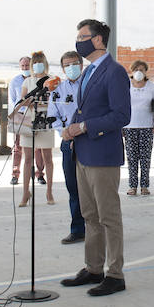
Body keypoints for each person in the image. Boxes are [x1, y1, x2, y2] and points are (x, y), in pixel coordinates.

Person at [60, 19, 130, 296]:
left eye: (83, 36)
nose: (78, 41)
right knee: (90, 215)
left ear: (99, 40)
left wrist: (86, 127)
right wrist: (71, 128)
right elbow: (84, 110)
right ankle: (93, 267)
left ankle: (115, 274)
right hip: (83, 152)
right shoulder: (88, 72)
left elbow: (121, 115)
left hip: (102, 154)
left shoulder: (114, 72)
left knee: (108, 216)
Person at [49, 50, 87, 244]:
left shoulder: (90, 86)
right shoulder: (57, 91)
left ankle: (98, 229)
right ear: (63, 68)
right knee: (73, 188)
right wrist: (63, 133)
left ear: (81, 64)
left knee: (92, 187)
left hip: (89, 142)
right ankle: (78, 229)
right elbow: (52, 116)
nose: (71, 68)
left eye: (74, 64)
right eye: (67, 65)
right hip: (68, 144)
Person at [12, 52, 56, 207]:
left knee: (47, 158)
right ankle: (25, 192)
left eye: (40, 62)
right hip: (29, 123)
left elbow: (56, 100)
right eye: (35, 63)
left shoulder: (51, 80)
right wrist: (31, 103)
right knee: (27, 159)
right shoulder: (28, 82)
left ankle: (49, 191)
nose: (37, 65)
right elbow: (22, 101)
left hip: (46, 122)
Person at [123, 60, 154, 196]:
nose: (139, 72)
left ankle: (144, 185)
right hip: (129, 126)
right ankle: (132, 186)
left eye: (142, 69)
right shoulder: (126, 84)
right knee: (132, 157)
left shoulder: (150, 86)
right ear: (132, 71)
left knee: (145, 158)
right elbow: (120, 104)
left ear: (146, 72)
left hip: (147, 126)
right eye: (136, 69)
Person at [8, 55, 44, 186]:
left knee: (38, 147)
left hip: (35, 116)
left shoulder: (37, 80)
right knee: (18, 147)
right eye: (22, 66)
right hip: (21, 117)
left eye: (27, 66)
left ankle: (39, 174)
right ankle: (15, 174)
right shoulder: (15, 81)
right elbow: (13, 100)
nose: (24, 68)